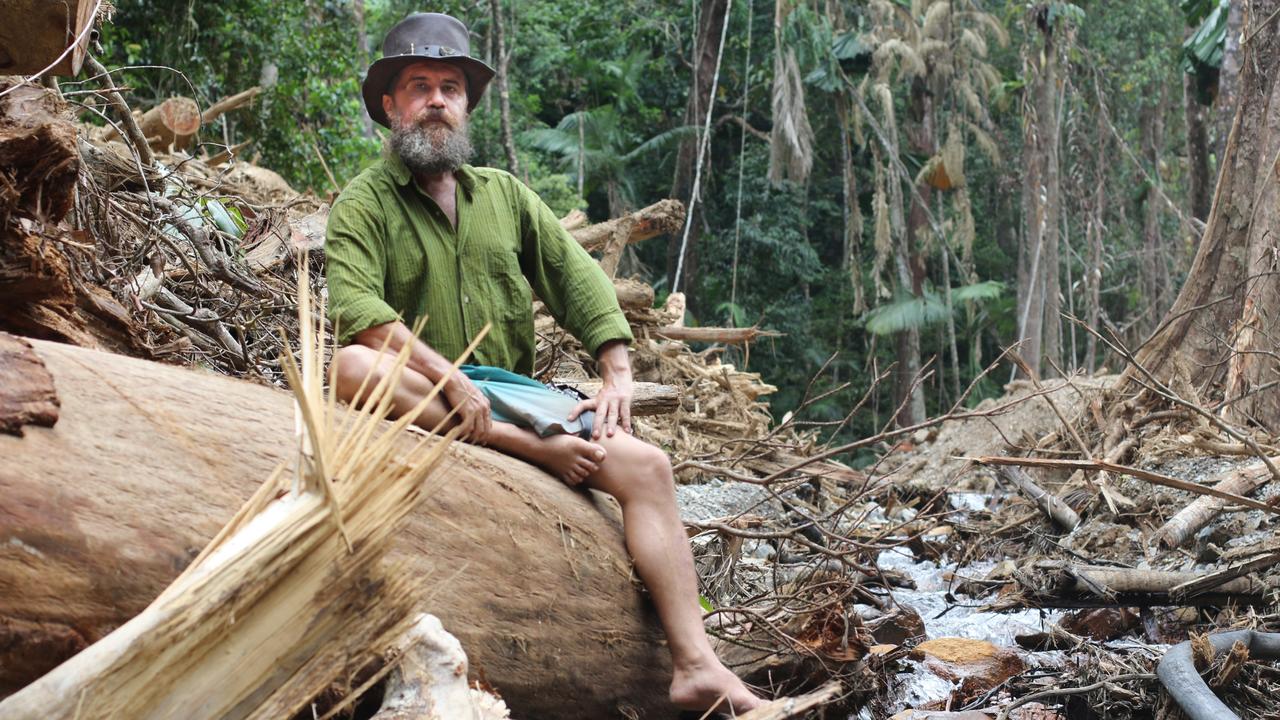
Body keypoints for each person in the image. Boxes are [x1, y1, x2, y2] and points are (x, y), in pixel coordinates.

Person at [325, 12, 763, 715]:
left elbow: (578, 281)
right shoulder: (363, 202)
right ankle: (521, 445)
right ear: (389, 105)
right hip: (427, 392)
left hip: (509, 392)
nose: (436, 100)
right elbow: (361, 316)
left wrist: (616, 370)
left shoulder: (504, 196)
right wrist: (451, 377)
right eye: (418, 86)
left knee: (648, 468)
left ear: (466, 105)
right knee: (348, 366)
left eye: (450, 87)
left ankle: (697, 664)